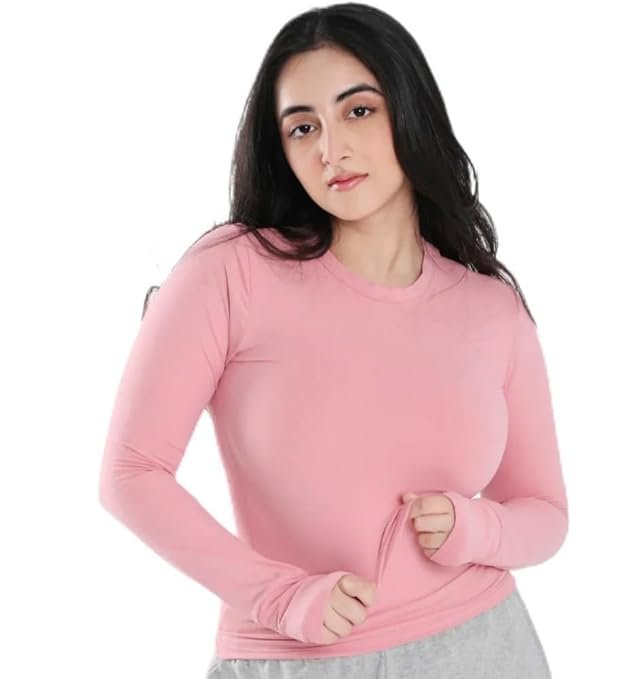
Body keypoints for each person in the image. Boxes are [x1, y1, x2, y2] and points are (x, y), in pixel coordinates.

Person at [99, 3, 568, 677]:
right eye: (302, 127)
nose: (330, 149)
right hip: (296, 659)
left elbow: (545, 513)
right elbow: (130, 473)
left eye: (358, 111)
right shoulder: (231, 272)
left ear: (410, 112)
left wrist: (476, 528)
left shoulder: (491, 309)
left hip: (485, 646)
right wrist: (278, 595)